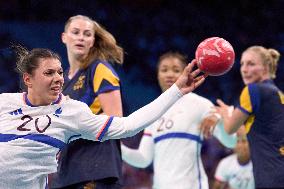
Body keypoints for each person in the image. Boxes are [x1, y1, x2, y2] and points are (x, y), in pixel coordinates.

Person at [0, 47, 205, 189]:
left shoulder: (72, 112)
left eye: (60, 72)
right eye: (49, 73)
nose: (58, 79)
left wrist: (176, 90)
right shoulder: (4, 103)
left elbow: (129, 126)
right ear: (28, 79)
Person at [121, 51, 237, 189]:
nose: (169, 74)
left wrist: (223, 121)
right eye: (164, 70)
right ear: (158, 75)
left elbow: (231, 142)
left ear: (186, 74)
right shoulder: (153, 111)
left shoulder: (200, 105)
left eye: (176, 70)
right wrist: (117, 146)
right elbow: (143, 159)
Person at [49, 15, 124, 189]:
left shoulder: (99, 69)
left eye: (87, 34)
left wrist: (75, 128)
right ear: (64, 37)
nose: (81, 37)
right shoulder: (63, 80)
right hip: (68, 172)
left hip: (95, 171)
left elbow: (116, 119)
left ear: (92, 41)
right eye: (75, 32)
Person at [215, 46, 283, 188]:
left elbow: (229, 129)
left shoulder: (253, 90)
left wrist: (225, 113)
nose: (244, 69)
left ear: (265, 68)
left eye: (251, 64)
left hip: (271, 177)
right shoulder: (278, 94)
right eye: (242, 64)